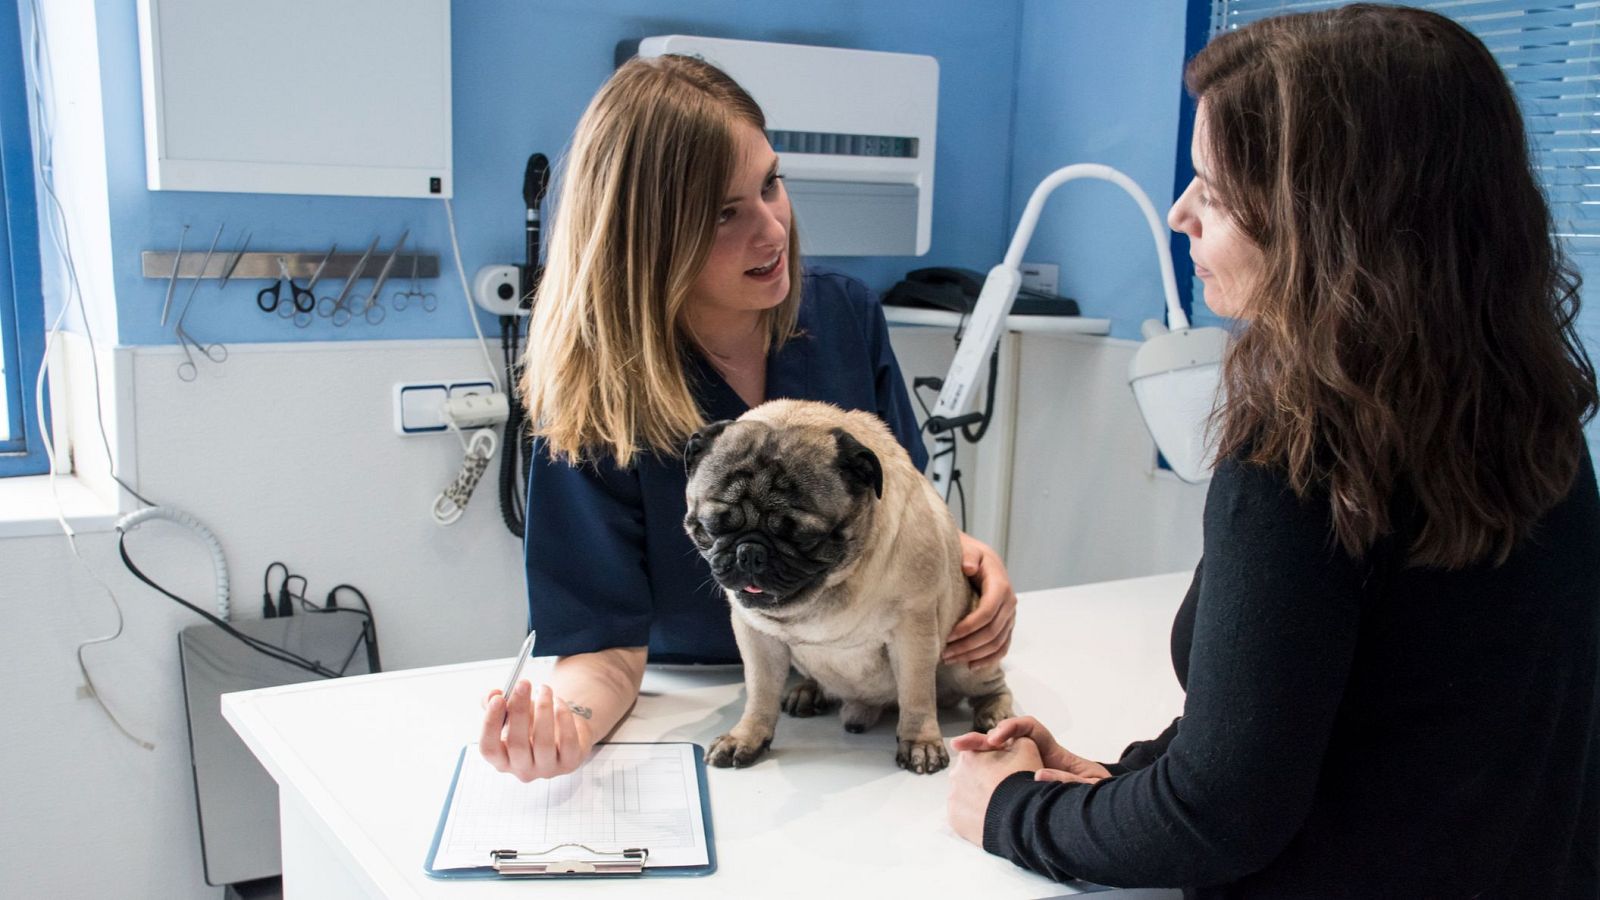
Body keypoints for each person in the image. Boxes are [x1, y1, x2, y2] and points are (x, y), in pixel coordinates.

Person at [947, 5, 1600, 897]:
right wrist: (1117, 781)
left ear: (1323, 222)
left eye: (1212, 193)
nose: (1180, 214)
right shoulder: (1533, 418)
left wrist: (1008, 809)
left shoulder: (1306, 458)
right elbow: (1354, 730)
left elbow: (1217, 815)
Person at [478, 54, 1018, 781]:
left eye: (771, 185)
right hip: (698, 704)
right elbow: (602, 647)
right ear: (647, 239)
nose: (772, 230)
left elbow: (902, 509)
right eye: (725, 214)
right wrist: (566, 727)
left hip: (862, 698)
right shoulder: (596, 397)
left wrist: (972, 563)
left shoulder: (843, 315)